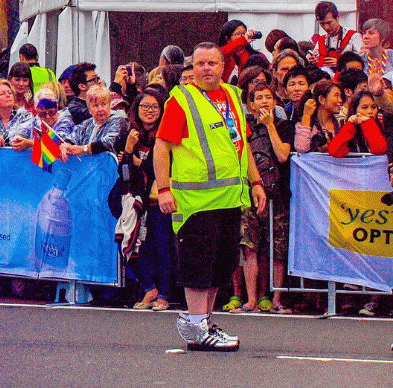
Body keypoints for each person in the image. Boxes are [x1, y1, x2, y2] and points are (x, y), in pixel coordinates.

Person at [153, 42, 266, 352]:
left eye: (212, 63)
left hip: (230, 198)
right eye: (200, 63)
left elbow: (240, 144)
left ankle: (205, 324)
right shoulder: (183, 100)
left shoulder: (231, 95)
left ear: (222, 66)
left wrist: (255, 182)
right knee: (198, 268)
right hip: (196, 203)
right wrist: (164, 189)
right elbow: (161, 147)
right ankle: (197, 327)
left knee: (220, 267)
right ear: (193, 67)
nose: (206, 69)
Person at [241, 82, 294, 314]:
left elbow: (282, 155)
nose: (264, 101)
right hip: (250, 193)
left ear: (274, 101)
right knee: (249, 246)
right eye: (258, 98)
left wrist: (270, 125)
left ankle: (277, 299)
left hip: (278, 194)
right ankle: (251, 299)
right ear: (251, 104)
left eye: (268, 97)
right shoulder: (245, 126)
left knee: (278, 248)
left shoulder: (284, 125)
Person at [117, 87, 171, 311]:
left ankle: (164, 295)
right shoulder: (128, 133)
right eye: (144, 106)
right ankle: (149, 287)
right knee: (129, 243)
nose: (149, 111)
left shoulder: (166, 134)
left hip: (160, 198)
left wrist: (137, 161)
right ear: (136, 109)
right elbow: (123, 171)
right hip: (135, 199)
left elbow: (166, 165)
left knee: (162, 246)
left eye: (154, 107)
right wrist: (129, 152)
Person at [62, 86, 126, 159]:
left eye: (103, 104)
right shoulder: (86, 124)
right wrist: (65, 146)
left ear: (109, 105)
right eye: (95, 105)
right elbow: (72, 138)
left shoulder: (118, 120)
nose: (100, 109)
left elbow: (108, 143)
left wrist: (83, 149)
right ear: (89, 109)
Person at [328, 91, 387, 157]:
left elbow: (379, 150)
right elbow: (335, 151)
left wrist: (368, 124)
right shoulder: (346, 125)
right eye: (364, 107)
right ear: (355, 109)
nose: (370, 111)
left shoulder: (383, 125)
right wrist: (350, 125)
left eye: (374, 107)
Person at [294, 79, 344, 153]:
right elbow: (301, 148)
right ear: (322, 99)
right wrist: (306, 115)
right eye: (336, 96)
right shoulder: (308, 124)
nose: (340, 100)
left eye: (340, 96)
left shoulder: (341, 124)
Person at [310, 1, 361, 71]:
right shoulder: (321, 41)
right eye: (322, 24)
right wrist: (312, 61)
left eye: (329, 22)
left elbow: (362, 63)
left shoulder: (354, 37)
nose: (326, 27)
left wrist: (341, 64)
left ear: (337, 18)